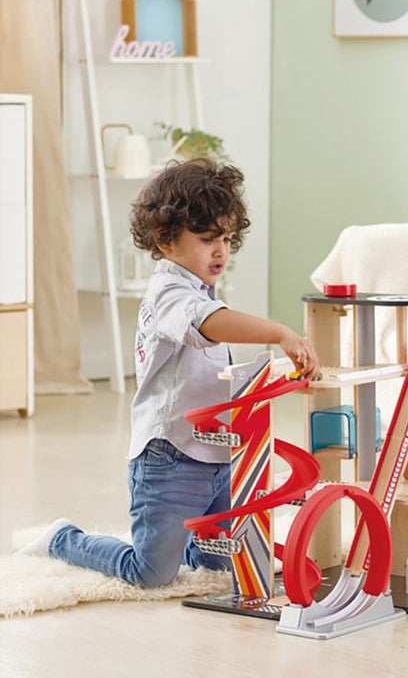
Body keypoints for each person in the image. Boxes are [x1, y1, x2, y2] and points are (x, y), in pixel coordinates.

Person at [18, 159, 319, 587]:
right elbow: (208, 324)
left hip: (218, 455)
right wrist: (279, 333)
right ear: (165, 239)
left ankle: (190, 541)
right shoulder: (170, 293)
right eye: (208, 239)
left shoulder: (201, 289)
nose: (221, 251)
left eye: (227, 239)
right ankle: (62, 539)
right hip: (170, 458)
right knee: (151, 572)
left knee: (220, 561)